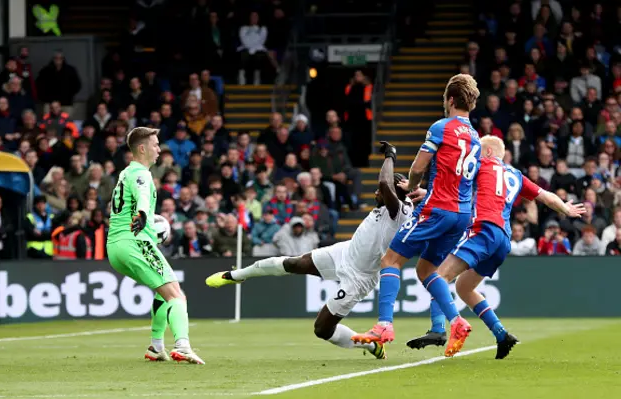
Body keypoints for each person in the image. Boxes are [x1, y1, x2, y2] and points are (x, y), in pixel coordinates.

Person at [206, 141, 413, 360]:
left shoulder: (397, 212)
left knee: (322, 329)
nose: (376, 192)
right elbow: (388, 186)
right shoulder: (393, 203)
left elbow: (384, 181)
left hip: (359, 277)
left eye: (381, 191)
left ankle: (371, 347)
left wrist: (390, 155)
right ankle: (235, 276)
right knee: (291, 263)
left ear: (394, 192)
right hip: (343, 252)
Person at [404, 136, 585, 359]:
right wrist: (565, 209)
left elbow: (453, 188)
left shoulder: (481, 164)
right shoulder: (515, 174)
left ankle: (440, 328)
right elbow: (546, 197)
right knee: (463, 288)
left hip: (483, 230)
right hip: (502, 239)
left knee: (437, 276)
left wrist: (427, 193)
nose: (475, 154)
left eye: (479, 150)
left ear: (488, 152)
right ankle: (501, 334)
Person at [352, 74, 481, 346]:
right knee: (426, 270)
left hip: (438, 210)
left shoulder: (441, 127)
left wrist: (412, 186)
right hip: (462, 214)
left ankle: (384, 326)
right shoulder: (476, 137)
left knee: (390, 261)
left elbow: (418, 167)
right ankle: (457, 322)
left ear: (451, 100)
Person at [106, 127, 204, 364]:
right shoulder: (141, 173)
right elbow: (141, 194)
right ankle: (182, 345)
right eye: (155, 144)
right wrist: (142, 214)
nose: (159, 149)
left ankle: (156, 346)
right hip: (135, 241)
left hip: (116, 246)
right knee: (177, 296)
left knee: (163, 293)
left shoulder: (125, 173)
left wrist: (146, 217)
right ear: (142, 148)